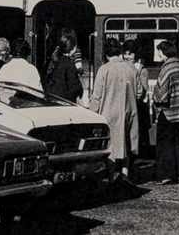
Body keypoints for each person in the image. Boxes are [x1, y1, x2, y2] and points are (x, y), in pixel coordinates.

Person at [91, 38, 139, 183]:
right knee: (127, 143)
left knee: (110, 145)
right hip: (129, 111)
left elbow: (97, 97)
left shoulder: (104, 69)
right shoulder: (132, 68)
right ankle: (125, 174)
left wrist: (93, 116)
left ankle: (111, 176)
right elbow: (139, 92)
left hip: (109, 112)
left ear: (106, 54)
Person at [152, 41, 179, 185]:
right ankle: (177, 174)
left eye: (159, 52)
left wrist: (155, 100)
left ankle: (166, 175)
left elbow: (160, 95)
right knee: (176, 142)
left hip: (168, 111)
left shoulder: (167, 67)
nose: (158, 54)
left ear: (163, 52)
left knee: (164, 144)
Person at [123, 39, 151, 156]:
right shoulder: (122, 67)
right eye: (125, 53)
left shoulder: (142, 70)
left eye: (130, 54)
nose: (127, 56)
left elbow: (142, 92)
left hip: (136, 107)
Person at [43, 33, 83, 103]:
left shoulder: (54, 61)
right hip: (64, 101)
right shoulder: (70, 65)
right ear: (72, 48)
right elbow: (73, 87)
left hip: (51, 99)